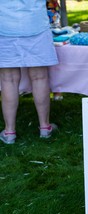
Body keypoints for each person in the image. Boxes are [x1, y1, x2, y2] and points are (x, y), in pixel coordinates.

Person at [0, 0, 58, 144]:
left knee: (8, 79)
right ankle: (45, 127)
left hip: (4, 23)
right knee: (40, 77)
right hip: (35, 22)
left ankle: (9, 132)